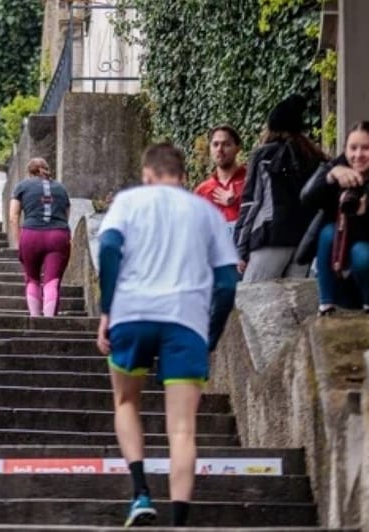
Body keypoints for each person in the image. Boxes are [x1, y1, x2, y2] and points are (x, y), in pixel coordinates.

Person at [96, 143, 239, 528]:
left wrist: (107, 310)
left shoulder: (129, 202)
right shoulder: (206, 211)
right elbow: (227, 283)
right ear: (181, 175)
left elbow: (108, 247)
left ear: (147, 174)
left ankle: (141, 493)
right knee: (182, 428)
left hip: (132, 313)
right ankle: (179, 522)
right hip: (186, 322)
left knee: (126, 402)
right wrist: (209, 336)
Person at [296, 121, 369, 316]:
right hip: (342, 278)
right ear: (345, 150)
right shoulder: (337, 170)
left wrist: (362, 215)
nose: (358, 155)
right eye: (353, 148)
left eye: (366, 148)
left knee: (361, 251)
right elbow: (306, 198)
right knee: (329, 232)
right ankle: (326, 305)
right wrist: (330, 175)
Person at [235, 94, 327, 282]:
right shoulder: (314, 156)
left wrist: (240, 247)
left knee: (254, 300)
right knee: (294, 304)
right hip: (304, 240)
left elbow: (252, 203)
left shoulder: (263, 156)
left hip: (270, 236)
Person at [8, 158, 72, 317]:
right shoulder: (61, 188)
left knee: (32, 279)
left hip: (31, 236)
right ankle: (50, 321)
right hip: (58, 236)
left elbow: (13, 216)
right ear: (47, 169)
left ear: (29, 172)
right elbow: (66, 215)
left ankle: (36, 320)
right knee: (52, 281)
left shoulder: (21, 186)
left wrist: (18, 241)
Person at [193, 125, 246, 243]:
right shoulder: (202, 191)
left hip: (248, 255)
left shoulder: (251, 180)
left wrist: (236, 203)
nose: (220, 149)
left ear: (237, 148)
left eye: (226, 144)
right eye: (215, 144)